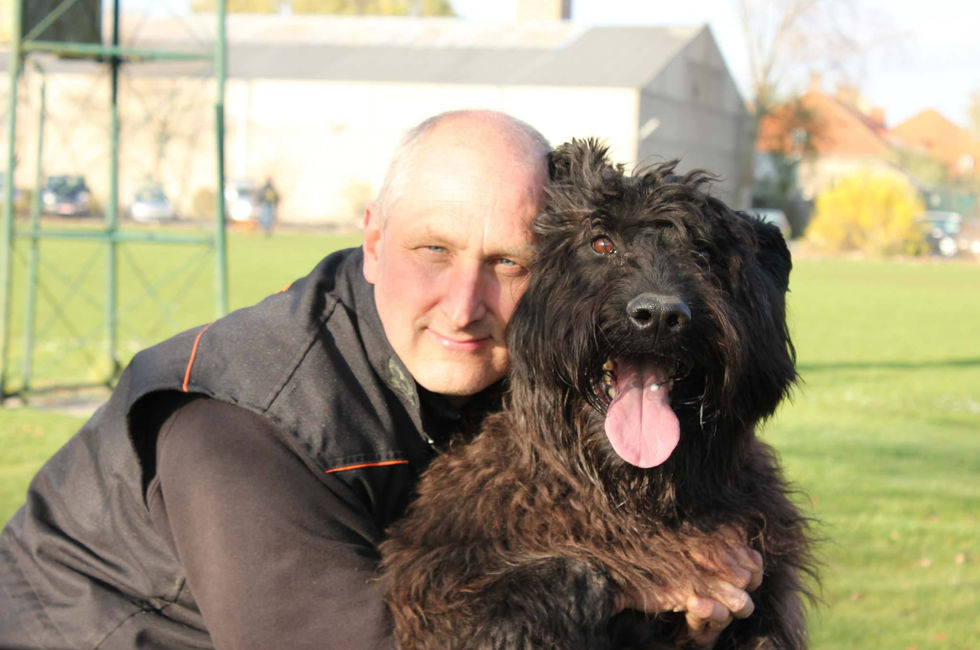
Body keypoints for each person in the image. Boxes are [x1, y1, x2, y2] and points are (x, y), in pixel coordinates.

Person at [0, 110, 760, 649]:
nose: (463, 306)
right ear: (372, 241)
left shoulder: (505, 367)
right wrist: (631, 582)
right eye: (434, 251)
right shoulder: (247, 427)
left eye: (508, 262)